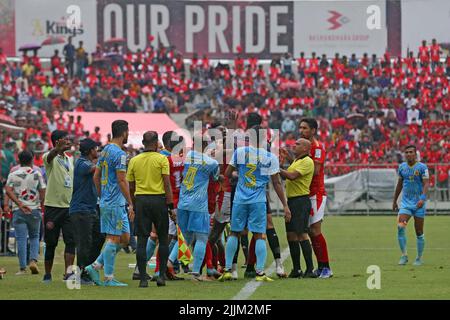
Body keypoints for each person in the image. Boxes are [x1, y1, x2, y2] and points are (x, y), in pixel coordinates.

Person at [219, 126, 291, 282]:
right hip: (258, 200)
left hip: (239, 198)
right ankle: (260, 273)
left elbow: (227, 173)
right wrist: (285, 205)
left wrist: (238, 173)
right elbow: (277, 183)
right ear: (264, 139)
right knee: (259, 235)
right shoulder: (270, 157)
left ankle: (227, 270)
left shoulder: (240, 153)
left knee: (234, 233)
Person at [85, 120, 135, 287]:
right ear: (124, 132)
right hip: (115, 202)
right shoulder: (120, 154)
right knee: (113, 238)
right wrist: (131, 203)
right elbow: (121, 180)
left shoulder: (105, 150)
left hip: (109, 201)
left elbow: (96, 176)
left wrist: (101, 194)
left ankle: (95, 266)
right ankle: (108, 278)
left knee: (125, 238)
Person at [127, 131, 176, 288]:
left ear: (142, 142)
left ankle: (142, 279)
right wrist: (170, 206)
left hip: (141, 200)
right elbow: (167, 184)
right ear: (156, 143)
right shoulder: (162, 159)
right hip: (159, 200)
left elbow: (131, 185)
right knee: (162, 239)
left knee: (141, 240)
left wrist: (134, 204)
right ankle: (161, 276)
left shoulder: (134, 161)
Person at [177, 133, 220, 281]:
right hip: (199, 204)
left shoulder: (185, 157)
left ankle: (169, 263)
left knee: (184, 238)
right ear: (207, 145)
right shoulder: (211, 162)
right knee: (202, 237)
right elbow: (215, 177)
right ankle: (196, 272)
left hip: (182, 202)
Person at [298, 118, 333, 278]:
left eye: (304, 128)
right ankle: (320, 267)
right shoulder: (302, 148)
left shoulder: (317, 148)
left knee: (315, 230)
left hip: (316, 194)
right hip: (305, 192)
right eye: (300, 128)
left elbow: (316, 171)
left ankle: (326, 267)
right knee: (310, 232)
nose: (301, 130)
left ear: (313, 130)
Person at [42, 130, 76, 283]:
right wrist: (56, 150)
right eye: (66, 140)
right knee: (51, 243)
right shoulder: (49, 157)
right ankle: (47, 274)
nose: (69, 142)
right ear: (57, 142)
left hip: (69, 207)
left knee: (71, 241)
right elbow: (50, 157)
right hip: (52, 207)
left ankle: (68, 273)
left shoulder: (70, 159)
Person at [280, 139, 317, 278]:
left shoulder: (308, 161)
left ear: (306, 148)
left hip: (301, 201)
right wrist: (287, 160)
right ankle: (296, 269)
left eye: (298, 144)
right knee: (291, 235)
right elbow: (289, 172)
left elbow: (292, 176)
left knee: (301, 234)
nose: (294, 145)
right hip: (292, 201)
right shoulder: (297, 161)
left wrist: (274, 167)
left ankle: (310, 269)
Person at [5, 150, 46, 275]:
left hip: (19, 210)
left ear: (18, 160)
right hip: (34, 209)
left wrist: (18, 203)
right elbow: (43, 190)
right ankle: (33, 260)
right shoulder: (37, 173)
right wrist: (41, 204)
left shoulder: (13, 174)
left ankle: (22, 268)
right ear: (32, 159)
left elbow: (8, 190)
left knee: (21, 239)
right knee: (34, 237)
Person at [393, 145, 429, 266]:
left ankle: (419, 258)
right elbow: (399, 185)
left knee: (419, 232)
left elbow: (426, 184)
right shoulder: (402, 167)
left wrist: (422, 199)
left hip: (419, 205)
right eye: (406, 152)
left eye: (411, 152)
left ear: (415, 153)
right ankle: (404, 255)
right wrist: (394, 201)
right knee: (401, 226)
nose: (408, 154)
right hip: (406, 205)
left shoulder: (422, 167)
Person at [69, 139, 99, 285]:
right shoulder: (81, 163)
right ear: (89, 151)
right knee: (84, 243)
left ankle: (88, 268)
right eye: (95, 149)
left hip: (90, 208)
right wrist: (107, 158)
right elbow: (95, 169)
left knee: (99, 237)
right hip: (81, 209)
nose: (97, 151)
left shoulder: (86, 162)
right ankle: (82, 273)